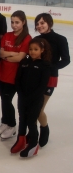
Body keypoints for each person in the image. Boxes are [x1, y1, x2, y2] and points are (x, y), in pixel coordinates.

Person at [33, 13, 70, 147]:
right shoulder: (36, 38)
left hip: (50, 78)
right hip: (35, 77)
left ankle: (44, 128)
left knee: (38, 108)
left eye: (42, 23)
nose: (39, 26)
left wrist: (52, 67)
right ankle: (32, 132)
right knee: (32, 107)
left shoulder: (60, 39)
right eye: (37, 24)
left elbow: (66, 60)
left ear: (50, 23)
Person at [0, 10, 32, 139]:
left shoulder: (27, 38)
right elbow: (0, 53)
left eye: (17, 22)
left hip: (14, 76)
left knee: (7, 99)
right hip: (2, 73)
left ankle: (12, 125)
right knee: (4, 100)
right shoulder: (7, 35)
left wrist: (9, 55)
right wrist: (13, 54)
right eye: (12, 22)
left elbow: (20, 58)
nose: (14, 25)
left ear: (23, 22)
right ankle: (5, 122)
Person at [11, 38, 51, 157]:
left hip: (35, 99)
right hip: (22, 97)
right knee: (22, 119)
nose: (32, 52)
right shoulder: (24, 62)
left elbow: (42, 86)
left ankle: (33, 144)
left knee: (31, 121)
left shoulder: (45, 66)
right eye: (30, 49)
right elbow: (18, 80)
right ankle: (21, 140)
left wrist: (31, 97)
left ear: (42, 50)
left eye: (36, 49)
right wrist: (21, 93)